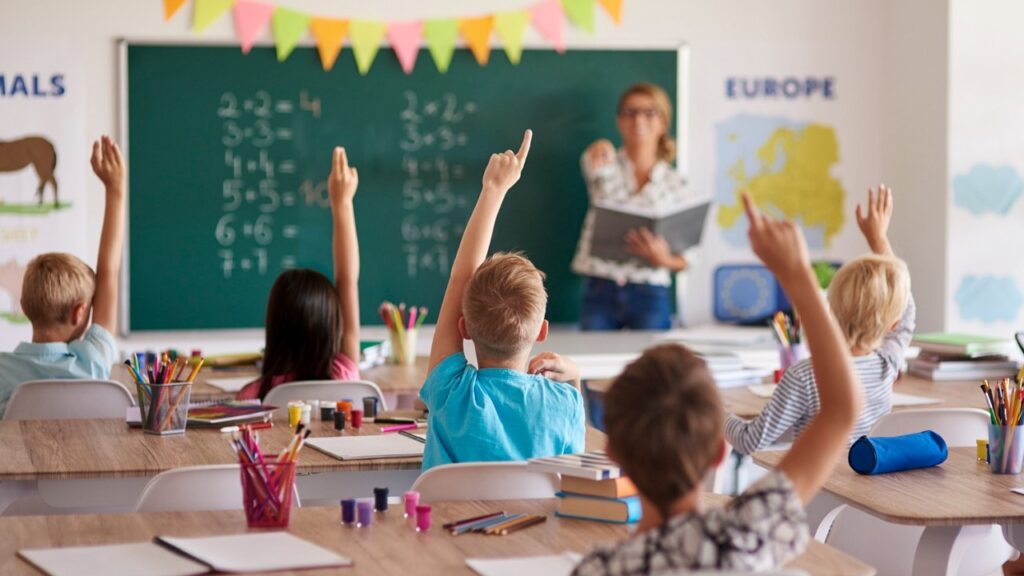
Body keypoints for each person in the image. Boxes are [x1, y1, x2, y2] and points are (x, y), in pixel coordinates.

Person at [572, 192, 864, 574]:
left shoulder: (600, 569)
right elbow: (842, 410)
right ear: (718, 452)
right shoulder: (746, 536)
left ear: (612, 453)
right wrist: (798, 276)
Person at [420, 129, 585, 470]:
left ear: (463, 327)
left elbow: (459, 279)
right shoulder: (564, 403)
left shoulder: (453, 395)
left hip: (445, 524)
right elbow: (573, 475)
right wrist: (574, 378)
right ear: (541, 331)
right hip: (536, 525)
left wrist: (492, 191)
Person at [727, 185, 914, 453]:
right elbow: (906, 311)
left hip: (818, 491)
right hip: (866, 490)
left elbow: (749, 441)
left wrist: (716, 411)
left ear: (831, 308)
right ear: (893, 324)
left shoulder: (805, 375)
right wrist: (879, 239)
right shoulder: (887, 365)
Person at [0, 136, 125, 416]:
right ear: (80, 312)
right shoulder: (92, 362)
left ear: (23, 306)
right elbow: (109, 273)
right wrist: (115, 188)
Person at [237, 147, 361, 400]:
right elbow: (347, 279)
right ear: (333, 326)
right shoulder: (343, 376)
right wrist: (343, 203)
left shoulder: (254, 396)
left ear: (274, 326)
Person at [571, 82, 692, 330]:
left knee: (653, 367)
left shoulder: (677, 184)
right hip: (600, 287)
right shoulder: (603, 163)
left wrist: (663, 259)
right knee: (593, 365)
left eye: (650, 112)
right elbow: (590, 160)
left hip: (650, 292)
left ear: (663, 123)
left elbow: (687, 259)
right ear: (619, 120)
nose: (638, 119)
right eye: (630, 111)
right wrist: (599, 146)